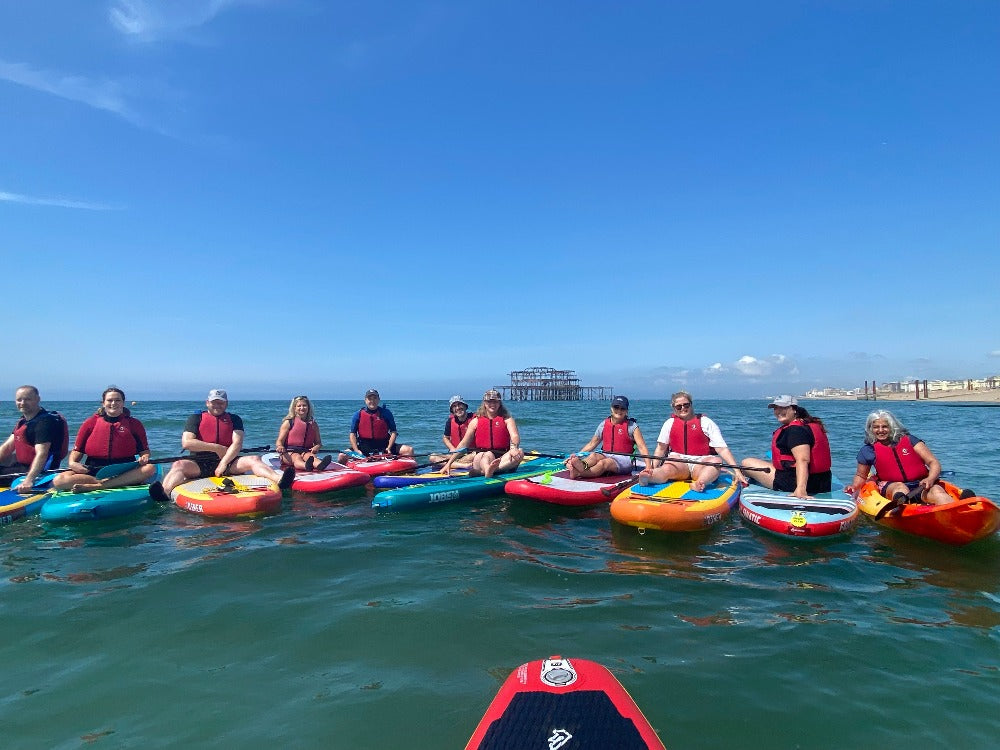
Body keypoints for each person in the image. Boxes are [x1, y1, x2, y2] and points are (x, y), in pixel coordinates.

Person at [150, 389, 293, 501]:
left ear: (226, 403)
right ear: (207, 403)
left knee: (254, 459)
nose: (217, 405)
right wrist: (217, 448)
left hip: (229, 461)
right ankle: (165, 492)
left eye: (221, 402)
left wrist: (223, 463)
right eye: (214, 402)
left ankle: (280, 480)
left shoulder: (235, 419)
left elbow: (237, 443)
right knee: (179, 465)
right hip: (200, 463)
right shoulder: (196, 418)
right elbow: (187, 443)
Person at [52, 386, 156, 493]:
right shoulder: (90, 423)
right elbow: (77, 451)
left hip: (125, 469)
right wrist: (73, 463)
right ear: (103, 403)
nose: (113, 403)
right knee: (59, 480)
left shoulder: (134, 424)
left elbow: (144, 451)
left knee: (150, 468)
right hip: (94, 470)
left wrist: (144, 457)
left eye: (117, 400)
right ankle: (110, 483)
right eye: (110, 400)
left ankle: (98, 486)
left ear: (123, 403)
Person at [845, 409, 953, 510]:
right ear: (870, 429)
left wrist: (930, 479)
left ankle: (957, 517)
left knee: (938, 491)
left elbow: (933, 462)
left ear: (892, 427)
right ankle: (903, 510)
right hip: (892, 486)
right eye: (876, 427)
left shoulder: (910, 440)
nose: (881, 430)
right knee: (900, 488)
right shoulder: (868, 450)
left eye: (885, 426)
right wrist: (854, 487)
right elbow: (861, 475)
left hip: (921, 485)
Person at [642, 390, 747, 491]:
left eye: (686, 405)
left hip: (701, 463)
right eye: (679, 406)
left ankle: (700, 483)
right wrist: (653, 468)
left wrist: (737, 471)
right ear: (674, 408)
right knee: (667, 468)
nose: (683, 408)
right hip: (679, 462)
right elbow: (660, 449)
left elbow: (722, 449)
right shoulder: (669, 423)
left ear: (691, 404)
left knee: (716, 462)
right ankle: (650, 476)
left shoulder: (706, 422)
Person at [741, 395, 832, 498]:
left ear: (794, 409)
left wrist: (801, 489)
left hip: (798, 484)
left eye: (783, 407)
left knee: (746, 463)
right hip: (823, 483)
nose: (778, 411)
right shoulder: (807, 424)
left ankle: (741, 478)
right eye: (775, 408)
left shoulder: (795, 431)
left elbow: (803, 460)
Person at [441, 390, 524, 477]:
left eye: (495, 401)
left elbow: (514, 436)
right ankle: (488, 469)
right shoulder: (475, 421)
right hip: (482, 457)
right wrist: (449, 463)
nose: (492, 404)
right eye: (489, 402)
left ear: (499, 403)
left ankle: (490, 470)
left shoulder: (507, 419)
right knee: (487, 455)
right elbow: (463, 444)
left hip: (502, 458)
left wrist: (514, 448)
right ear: (484, 403)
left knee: (520, 452)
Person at [0, 385, 68, 493]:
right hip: (22, 464)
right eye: (19, 400)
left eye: (27, 399)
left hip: (39, 470)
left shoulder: (44, 423)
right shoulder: (24, 420)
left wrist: (29, 480)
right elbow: (7, 447)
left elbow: (42, 454)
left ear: (38, 399)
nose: (22, 403)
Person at [565, 395, 650, 478]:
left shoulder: (632, 426)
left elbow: (642, 447)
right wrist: (577, 455)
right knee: (593, 456)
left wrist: (648, 467)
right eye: (616, 407)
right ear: (611, 409)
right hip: (606, 454)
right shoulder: (603, 424)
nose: (619, 410)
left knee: (604, 463)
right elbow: (592, 444)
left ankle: (578, 473)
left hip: (624, 460)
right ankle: (581, 465)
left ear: (626, 411)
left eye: (622, 408)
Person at [340, 389, 414, 461]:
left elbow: (393, 432)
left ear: (378, 399)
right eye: (370, 399)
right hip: (365, 447)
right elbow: (352, 434)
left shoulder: (386, 413)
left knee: (409, 450)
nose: (372, 401)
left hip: (384, 446)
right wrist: (356, 450)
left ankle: (413, 472)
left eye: (375, 398)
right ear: (365, 400)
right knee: (342, 455)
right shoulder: (358, 414)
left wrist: (388, 448)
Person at [276, 396, 332, 471]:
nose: (302, 408)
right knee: (297, 457)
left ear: (308, 407)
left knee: (311, 457)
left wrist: (317, 447)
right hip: (289, 453)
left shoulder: (313, 424)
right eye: (299, 406)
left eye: (304, 405)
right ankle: (305, 466)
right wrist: (280, 446)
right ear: (294, 408)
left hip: (305, 451)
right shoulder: (288, 422)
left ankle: (320, 464)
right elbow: (279, 441)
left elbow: (318, 443)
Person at [429, 395, 476, 466]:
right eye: (454, 406)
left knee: (475, 455)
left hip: (470, 453)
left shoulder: (475, 419)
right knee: (433, 457)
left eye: (459, 404)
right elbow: (445, 438)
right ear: (452, 410)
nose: (457, 408)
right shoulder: (450, 421)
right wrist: (452, 449)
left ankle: (452, 464)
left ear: (465, 406)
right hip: (455, 455)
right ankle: (462, 465)